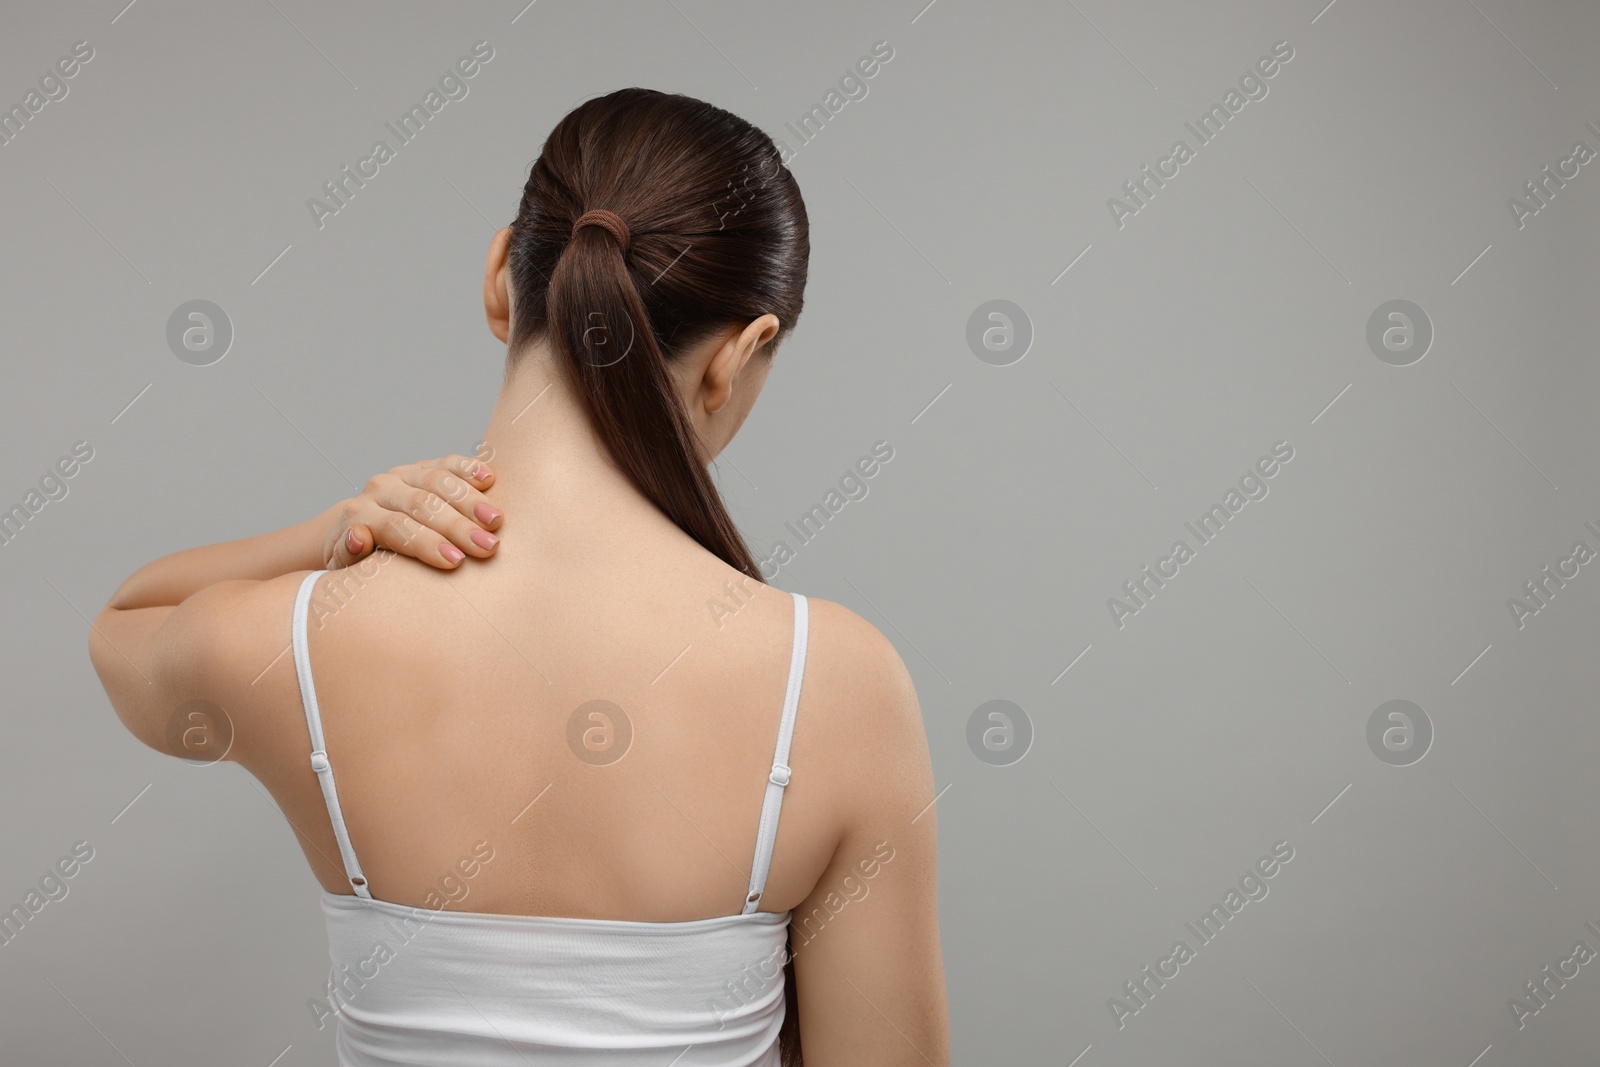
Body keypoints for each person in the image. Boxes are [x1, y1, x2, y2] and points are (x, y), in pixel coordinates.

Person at [88, 88, 948, 1065]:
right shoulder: (835, 682)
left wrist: (325, 533)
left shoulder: (301, 641)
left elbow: (124, 622)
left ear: (502, 274)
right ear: (740, 353)